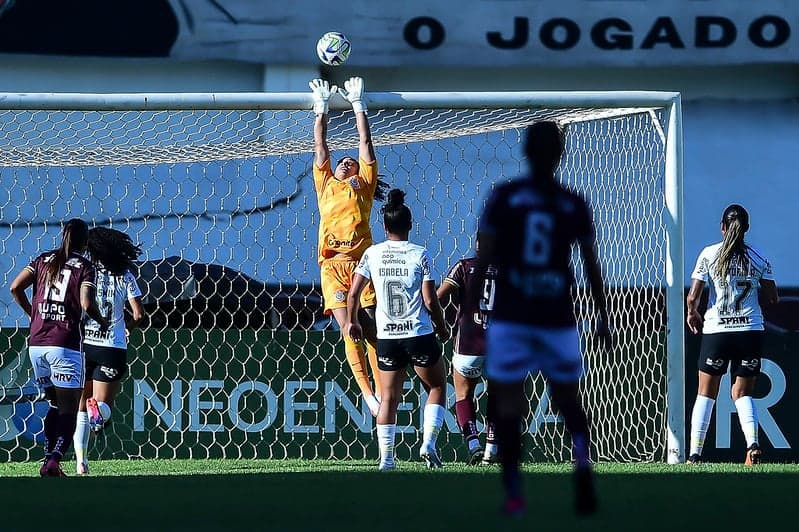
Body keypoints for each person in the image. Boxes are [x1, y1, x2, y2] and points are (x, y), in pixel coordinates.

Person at [477, 121, 610, 516]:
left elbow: (485, 257)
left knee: (508, 404)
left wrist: (473, 310)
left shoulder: (504, 196)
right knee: (568, 399)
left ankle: (514, 493)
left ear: (525, 151)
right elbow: (590, 264)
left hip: (513, 314)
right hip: (557, 316)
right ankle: (583, 462)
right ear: (560, 155)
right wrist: (601, 315)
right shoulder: (572, 201)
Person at [345, 188, 450, 470]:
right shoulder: (420, 254)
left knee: (388, 397)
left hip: (387, 337)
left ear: (383, 226)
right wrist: (441, 327)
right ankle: (428, 443)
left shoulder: (372, 253)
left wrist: (353, 321)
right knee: (438, 386)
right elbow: (430, 299)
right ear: (411, 225)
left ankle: (387, 460)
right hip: (418, 333)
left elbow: (353, 294)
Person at [309, 76, 387, 416]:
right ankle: (369, 395)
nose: (346, 162)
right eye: (343, 162)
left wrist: (358, 104)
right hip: (331, 267)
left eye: (351, 162)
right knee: (347, 327)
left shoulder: (363, 187)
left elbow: (365, 142)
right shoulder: (325, 183)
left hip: (361, 266)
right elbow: (321, 148)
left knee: (370, 328)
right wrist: (321, 109)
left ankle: (385, 394)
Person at [9, 218, 109, 477]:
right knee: (69, 407)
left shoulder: (43, 260)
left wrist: (33, 315)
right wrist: (102, 321)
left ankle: (48, 460)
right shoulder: (85, 267)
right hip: (64, 344)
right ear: (85, 242)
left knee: (54, 404)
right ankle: (54, 459)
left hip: (37, 345)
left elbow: (15, 287)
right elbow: (87, 304)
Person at [686, 204, 778, 466]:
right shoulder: (759, 257)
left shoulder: (709, 254)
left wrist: (692, 313)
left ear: (722, 227)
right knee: (742, 394)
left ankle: (695, 455)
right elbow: (773, 297)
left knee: (706, 393)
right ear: (746, 229)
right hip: (750, 331)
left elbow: (693, 296)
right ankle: (753, 445)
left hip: (718, 331)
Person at [73, 227, 145, 475]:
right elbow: (138, 314)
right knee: (103, 411)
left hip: (85, 345)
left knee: (80, 408)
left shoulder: (87, 272)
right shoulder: (125, 275)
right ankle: (99, 409)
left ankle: (81, 463)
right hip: (112, 347)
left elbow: (80, 304)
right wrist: (129, 328)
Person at [437, 247, 498, 465]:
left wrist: (438, 322)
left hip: (467, 345)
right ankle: (492, 449)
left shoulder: (464, 265)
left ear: (479, 244)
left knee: (463, 394)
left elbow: (438, 296)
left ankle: (474, 444)